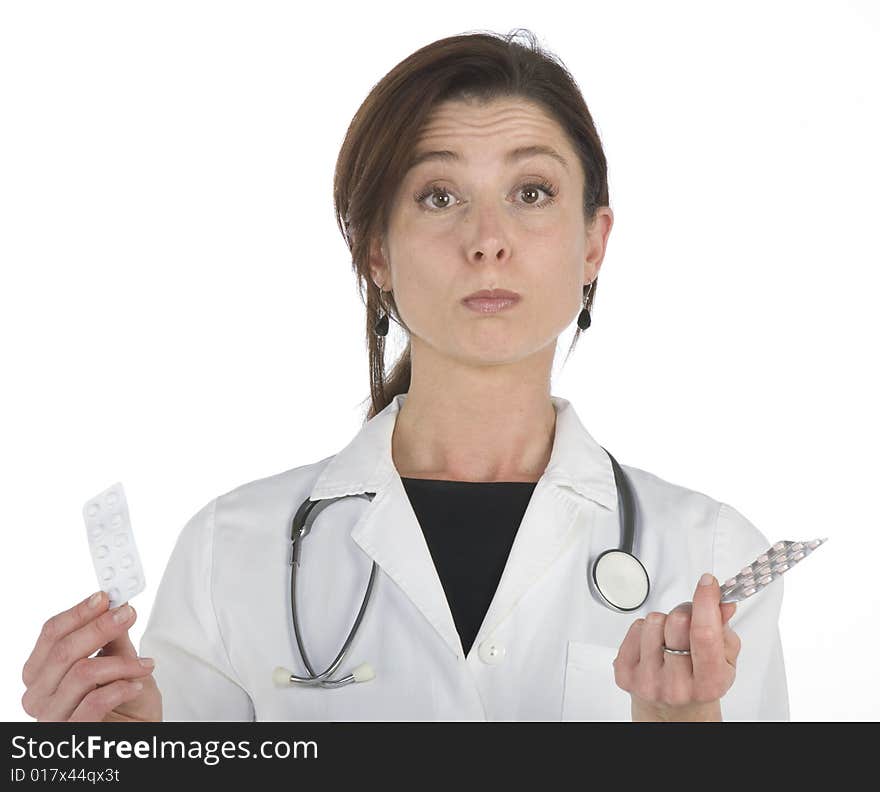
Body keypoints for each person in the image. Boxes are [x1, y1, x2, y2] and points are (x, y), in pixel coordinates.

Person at [20, 28, 789, 722]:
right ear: (376, 252)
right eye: (439, 196)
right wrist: (112, 759)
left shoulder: (711, 561)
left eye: (531, 193)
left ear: (593, 244)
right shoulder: (231, 553)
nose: (488, 239)